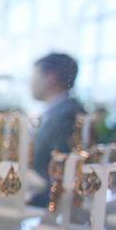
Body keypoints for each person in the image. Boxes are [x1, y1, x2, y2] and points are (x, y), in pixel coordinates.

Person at [30, 53, 86, 202]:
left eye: (35, 75)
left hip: (51, 203)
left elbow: (62, 171)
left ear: (51, 77)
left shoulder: (68, 116)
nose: (31, 82)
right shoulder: (56, 113)